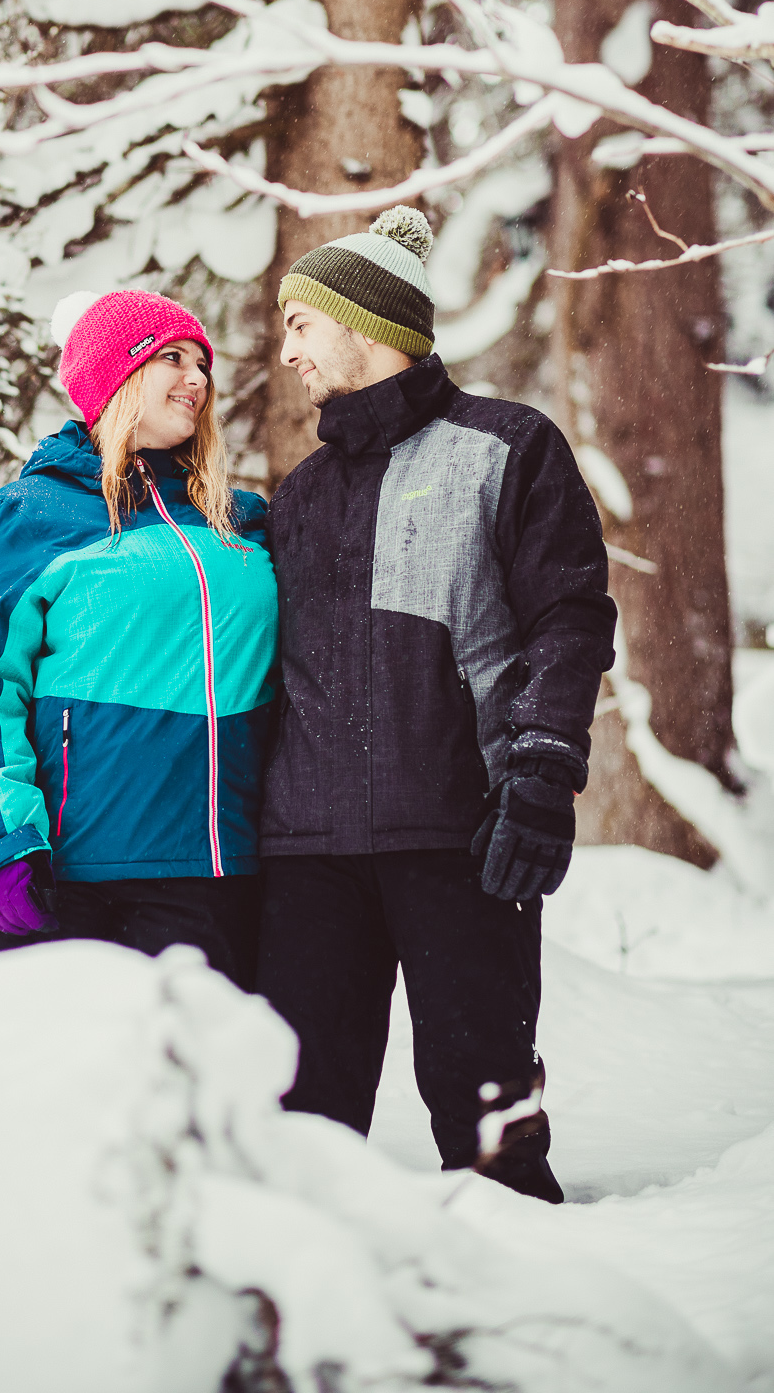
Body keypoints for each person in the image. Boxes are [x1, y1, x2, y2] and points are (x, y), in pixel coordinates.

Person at [257, 205, 616, 1201]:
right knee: (301, 1137)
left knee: (489, 1122)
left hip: (462, 832)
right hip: (307, 859)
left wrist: (543, 767)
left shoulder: (506, 447)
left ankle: (532, 1328)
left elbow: (569, 618)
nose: (284, 347)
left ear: (363, 325)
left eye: (300, 322)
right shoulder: (298, 494)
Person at [0, 288, 279, 987]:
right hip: (70, 875)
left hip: (213, 876)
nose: (197, 379)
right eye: (172, 358)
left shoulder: (241, 521)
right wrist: (3, 839)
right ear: (115, 377)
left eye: (201, 364)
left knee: (198, 1093)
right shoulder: (31, 515)